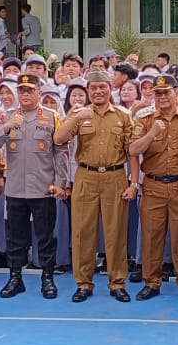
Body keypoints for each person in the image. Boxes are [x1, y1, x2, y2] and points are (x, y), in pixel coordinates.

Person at [55, 69, 137, 302]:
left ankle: (117, 282)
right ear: (88, 91)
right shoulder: (81, 114)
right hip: (86, 176)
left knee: (116, 232)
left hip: (115, 176)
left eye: (103, 87)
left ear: (110, 89)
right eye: (93, 88)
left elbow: (132, 152)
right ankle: (83, 283)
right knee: (83, 232)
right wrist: (74, 117)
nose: (98, 91)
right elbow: (59, 139)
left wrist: (134, 183)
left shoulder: (123, 116)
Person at [0, 72, 67, 298]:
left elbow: (61, 152)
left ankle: (47, 278)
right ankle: (15, 278)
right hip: (15, 188)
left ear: (38, 92)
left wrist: (60, 182)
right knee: (16, 238)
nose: (25, 94)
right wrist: (6, 127)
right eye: (21, 91)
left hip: (43, 188)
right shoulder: (7, 116)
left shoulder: (52, 117)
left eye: (30, 90)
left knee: (45, 236)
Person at [129, 74, 178, 302]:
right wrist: (152, 133)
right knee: (152, 236)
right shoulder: (145, 121)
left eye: (166, 92)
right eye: (157, 93)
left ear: (176, 93)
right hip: (153, 185)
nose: (162, 97)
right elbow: (133, 150)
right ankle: (152, 282)